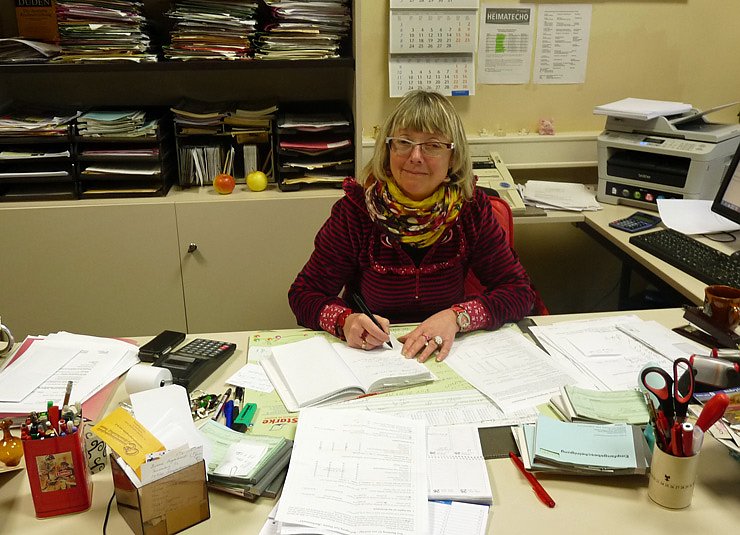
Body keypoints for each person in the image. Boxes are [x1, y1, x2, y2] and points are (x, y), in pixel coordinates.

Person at [288, 90, 536, 362]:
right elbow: (304, 295)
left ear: (453, 157)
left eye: (433, 145)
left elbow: (519, 291)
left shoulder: (470, 208)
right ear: (388, 150)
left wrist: (457, 317)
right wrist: (345, 321)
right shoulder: (356, 212)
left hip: (448, 355)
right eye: (404, 142)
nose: (415, 156)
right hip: (373, 357)